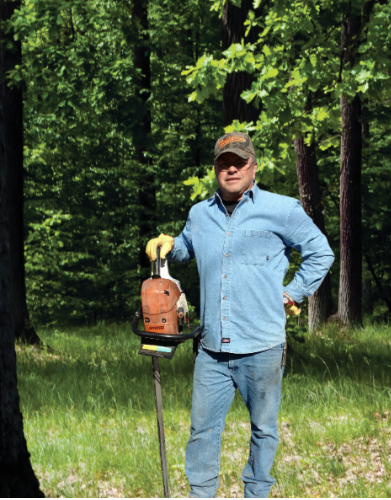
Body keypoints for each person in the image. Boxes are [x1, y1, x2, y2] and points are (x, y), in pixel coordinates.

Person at [144, 132, 334, 497]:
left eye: (239, 162)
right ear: (215, 168)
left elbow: (321, 252)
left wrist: (294, 292)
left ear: (253, 166)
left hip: (262, 346)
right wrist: (167, 248)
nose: (231, 168)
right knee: (202, 432)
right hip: (211, 349)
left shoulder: (283, 209)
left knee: (263, 430)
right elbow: (185, 248)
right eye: (223, 163)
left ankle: (256, 493)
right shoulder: (199, 215)